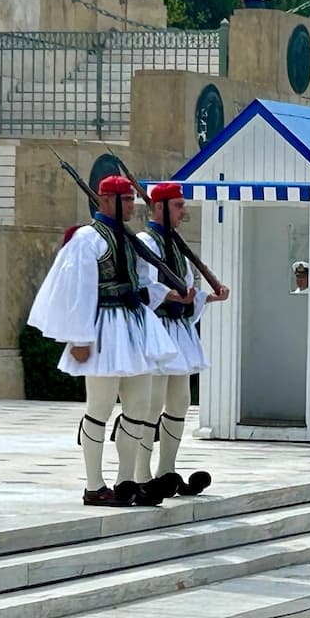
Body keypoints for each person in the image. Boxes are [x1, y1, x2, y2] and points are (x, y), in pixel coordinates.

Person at [28, 175, 185, 506]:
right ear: (107, 200)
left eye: (131, 199)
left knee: (139, 408)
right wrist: (79, 337)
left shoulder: (130, 240)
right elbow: (78, 291)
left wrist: (165, 293)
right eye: (126, 200)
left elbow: (143, 283)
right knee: (99, 408)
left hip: (133, 328)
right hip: (103, 329)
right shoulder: (87, 240)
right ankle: (94, 485)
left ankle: (127, 481)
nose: (131, 205)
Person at [134, 182, 230, 497]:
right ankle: (140, 473)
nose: (183, 211)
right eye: (177, 205)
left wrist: (208, 298)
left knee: (180, 402)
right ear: (158, 207)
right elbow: (144, 289)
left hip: (178, 331)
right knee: (152, 404)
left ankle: (167, 470)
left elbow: (187, 291)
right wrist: (176, 295)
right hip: (158, 331)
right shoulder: (145, 242)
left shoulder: (175, 245)